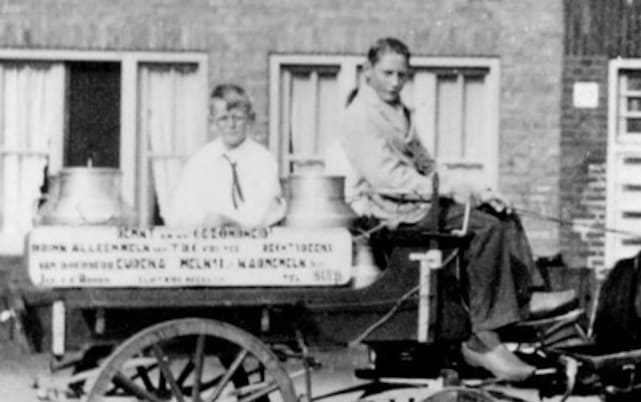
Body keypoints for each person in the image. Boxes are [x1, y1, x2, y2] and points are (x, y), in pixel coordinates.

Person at [338, 37, 575, 381]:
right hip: (393, 210)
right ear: (367, 71)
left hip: (414, 201)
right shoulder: (359, 116)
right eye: (387, 73)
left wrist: (478, 189)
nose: (394, 82)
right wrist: (447, 190)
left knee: (501, 213)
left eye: (401, 75)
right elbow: (386, 179)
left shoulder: (398, 111)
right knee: (485, 229)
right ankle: (483, 337)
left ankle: (524, 300)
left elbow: (427, 164)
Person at [162, 84, 286, 228]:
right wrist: (205, 219)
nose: (231, 125)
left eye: (238, 118)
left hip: (251, 242)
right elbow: (179, 210)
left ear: (250, 119)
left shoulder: (264, 161)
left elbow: (270, 210)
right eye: (223, 119)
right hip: (207, 243)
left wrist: (236, 223)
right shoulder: (199, 161)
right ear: (212, 122)